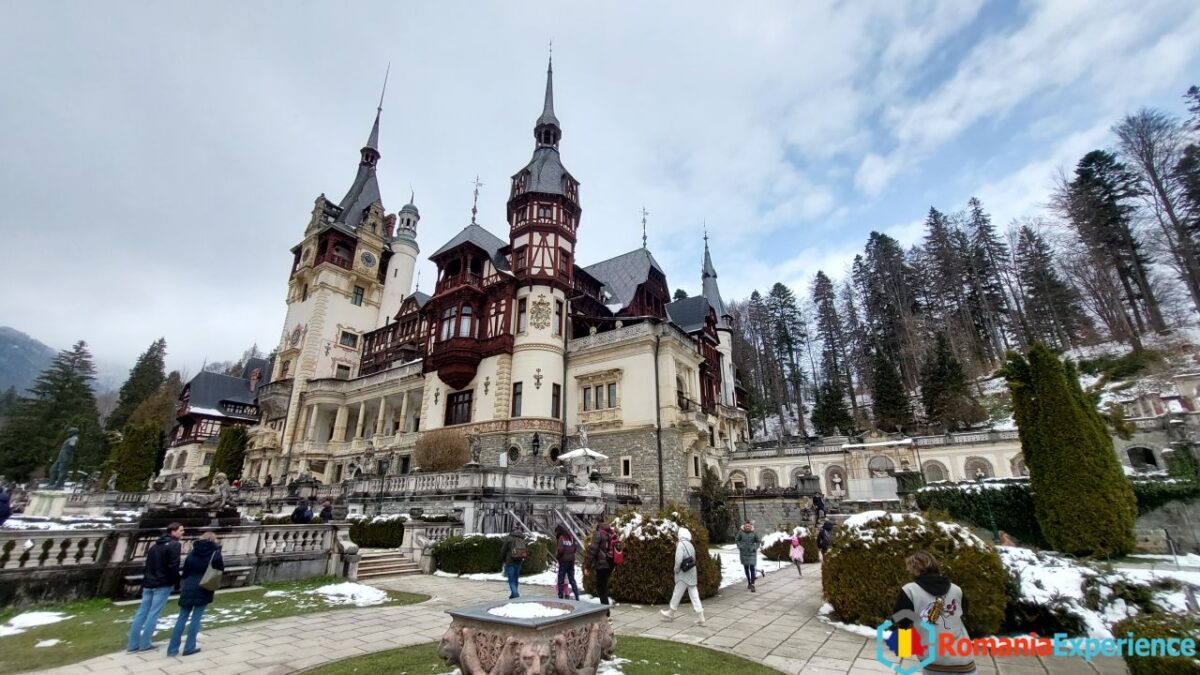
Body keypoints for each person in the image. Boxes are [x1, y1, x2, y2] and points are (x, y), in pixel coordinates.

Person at [891, 550, 975, 674]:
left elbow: (900, 620)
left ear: (915, 569)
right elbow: (965, 615)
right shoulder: (957, 590)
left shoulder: (910, 591)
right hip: (965, 660)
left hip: (935, 662)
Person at [126, 522, 184, 653]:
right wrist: (176, 582)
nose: (183, 532)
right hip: (162, 584)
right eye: (181, 530)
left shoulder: (155, 546)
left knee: (141, 613)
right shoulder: (175, 545)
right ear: (173, 532)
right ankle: (145, 644)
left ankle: (132, 644)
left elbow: (148, 565)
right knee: (154, 613)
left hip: (149, 583)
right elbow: (173, 566)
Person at [167, 531, 225, 657]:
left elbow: (185, 571)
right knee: (196, 619)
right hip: (204, 586)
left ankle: (172, 649)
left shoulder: (192, 552)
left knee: (181, 618)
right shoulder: (215, 553)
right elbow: (220, 569)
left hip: (189, 585)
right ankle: (189, 647)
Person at [659, 527, 705, 625]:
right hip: (692, 573)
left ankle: (671, 613)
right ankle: (701, 616)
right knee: (694, 595)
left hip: (683, 574)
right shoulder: (690, 545)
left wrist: (676, 570)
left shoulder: (681, 544)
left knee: (677, 594)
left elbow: (678, 560)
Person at [586, 520, 615, 606]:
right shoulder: (611, 532)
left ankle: (605, 611)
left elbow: (592, 551)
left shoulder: (598, 533)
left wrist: (588, 566)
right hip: (611, 563)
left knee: (600, 587)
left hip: (602, 564)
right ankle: (605, 610)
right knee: (603, 586)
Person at [499, 526, 528, 599]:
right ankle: (513, 594)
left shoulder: (509, 538)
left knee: (511, 579)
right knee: (515, 578)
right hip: (519, 561)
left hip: (510, 561)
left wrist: (503, 560)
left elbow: (503, 550)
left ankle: (515, 594)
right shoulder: (522, 538)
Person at [554, 524, 580, 601]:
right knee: (572, 579)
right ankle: (577, 595)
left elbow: (560, 550)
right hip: (571, 561)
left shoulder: (561, 538)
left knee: (561, 579)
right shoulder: (571, 537)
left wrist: (558, 557)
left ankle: (561, 596)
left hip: (563, 561)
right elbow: (575, 548)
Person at [733, 521, 761, 592]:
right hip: (744, 553)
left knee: (752, 567)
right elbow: (737, 539)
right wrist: (740, 546)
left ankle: (753, 584)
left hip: (752, 553)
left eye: (749, 526)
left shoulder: (754, 533)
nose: (747, 527)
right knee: (746, 568)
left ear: (751, 527)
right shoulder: (741, 532)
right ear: (744, 526)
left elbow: (758, 541)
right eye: (746, 526)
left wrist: (755, 548)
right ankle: (749, 581)